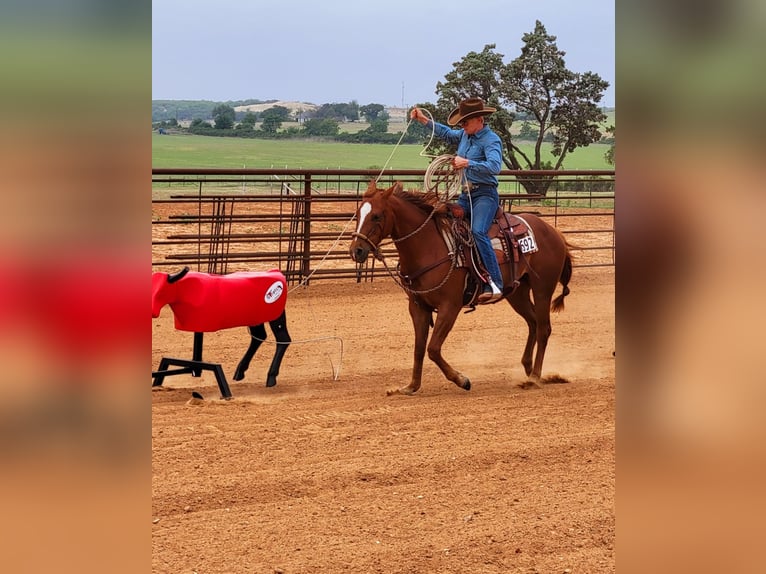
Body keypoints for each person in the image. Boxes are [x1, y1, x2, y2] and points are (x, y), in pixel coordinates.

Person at [410, 97, 504, 303]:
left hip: (484, 195)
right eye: (461, 123)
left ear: (479, 120)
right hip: (465, 195)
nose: (462, 126)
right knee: (438, 216)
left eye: (465, 122)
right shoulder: (464, 135)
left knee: (479, 231)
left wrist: (467, 163)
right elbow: (446, 133)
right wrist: (424, 120)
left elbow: (495, 167)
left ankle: (495, 283)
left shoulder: (492, 140)